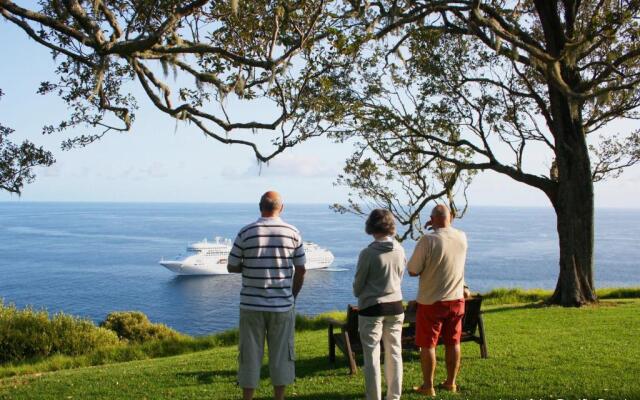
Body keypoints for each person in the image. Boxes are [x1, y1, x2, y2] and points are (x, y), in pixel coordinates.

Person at [227, 191, 306, 400]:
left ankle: (248, 397)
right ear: (282, 207)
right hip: (282, 306)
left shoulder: (246, 232)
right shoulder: (293, 232)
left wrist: (248, 267)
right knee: (281, 355)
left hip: (251, 305)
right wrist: (292, 296)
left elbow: (231, 265)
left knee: (249, 355)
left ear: (259, 206)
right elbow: (301, 269)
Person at [407, 204, 467, 396]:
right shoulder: (461, 237)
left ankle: (428, 386)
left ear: (432, 219)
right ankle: (451, 383)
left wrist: (434, 229)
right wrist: (441, 224)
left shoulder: (428, 240)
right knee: (453, 342)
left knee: (428, 344)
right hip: (457, 299)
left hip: (432, 301)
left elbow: (412, 270)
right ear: (450, 218)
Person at [353, 209, 406, 400]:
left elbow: (358, 286)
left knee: (372, 357)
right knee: (394, 353)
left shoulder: (368, 253)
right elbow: (399, 276)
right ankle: (394, 396)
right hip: (395, 305)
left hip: (372, 308)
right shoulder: (400, 249)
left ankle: (373, 397)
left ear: (371, 226)